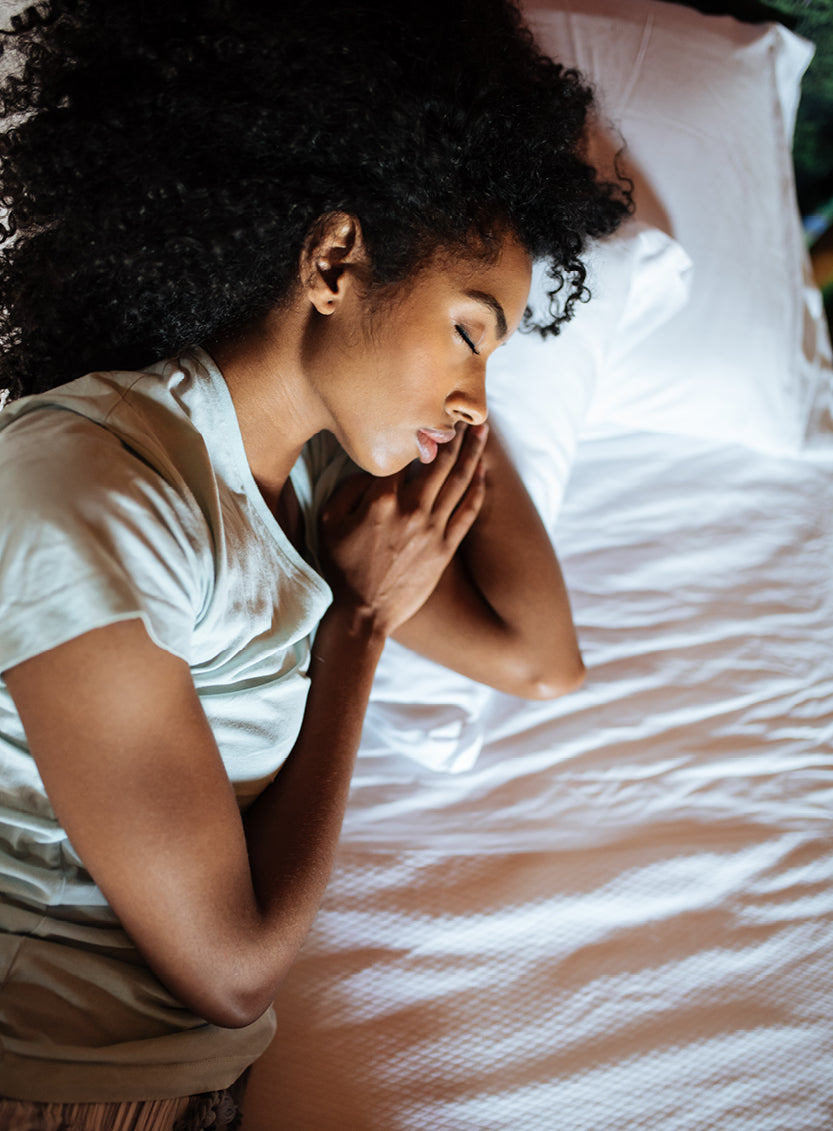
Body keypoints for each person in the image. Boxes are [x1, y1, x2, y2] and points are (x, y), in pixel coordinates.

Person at [0, 0, 631, 1125]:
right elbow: (230, 968)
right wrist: (356, 627)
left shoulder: (314, 483)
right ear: (336, 259)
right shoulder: (88, 485)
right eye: (470, 331)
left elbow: (542, 661)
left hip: (182, 1085)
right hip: (54, 1078)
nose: (476, 394)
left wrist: (456, 408)